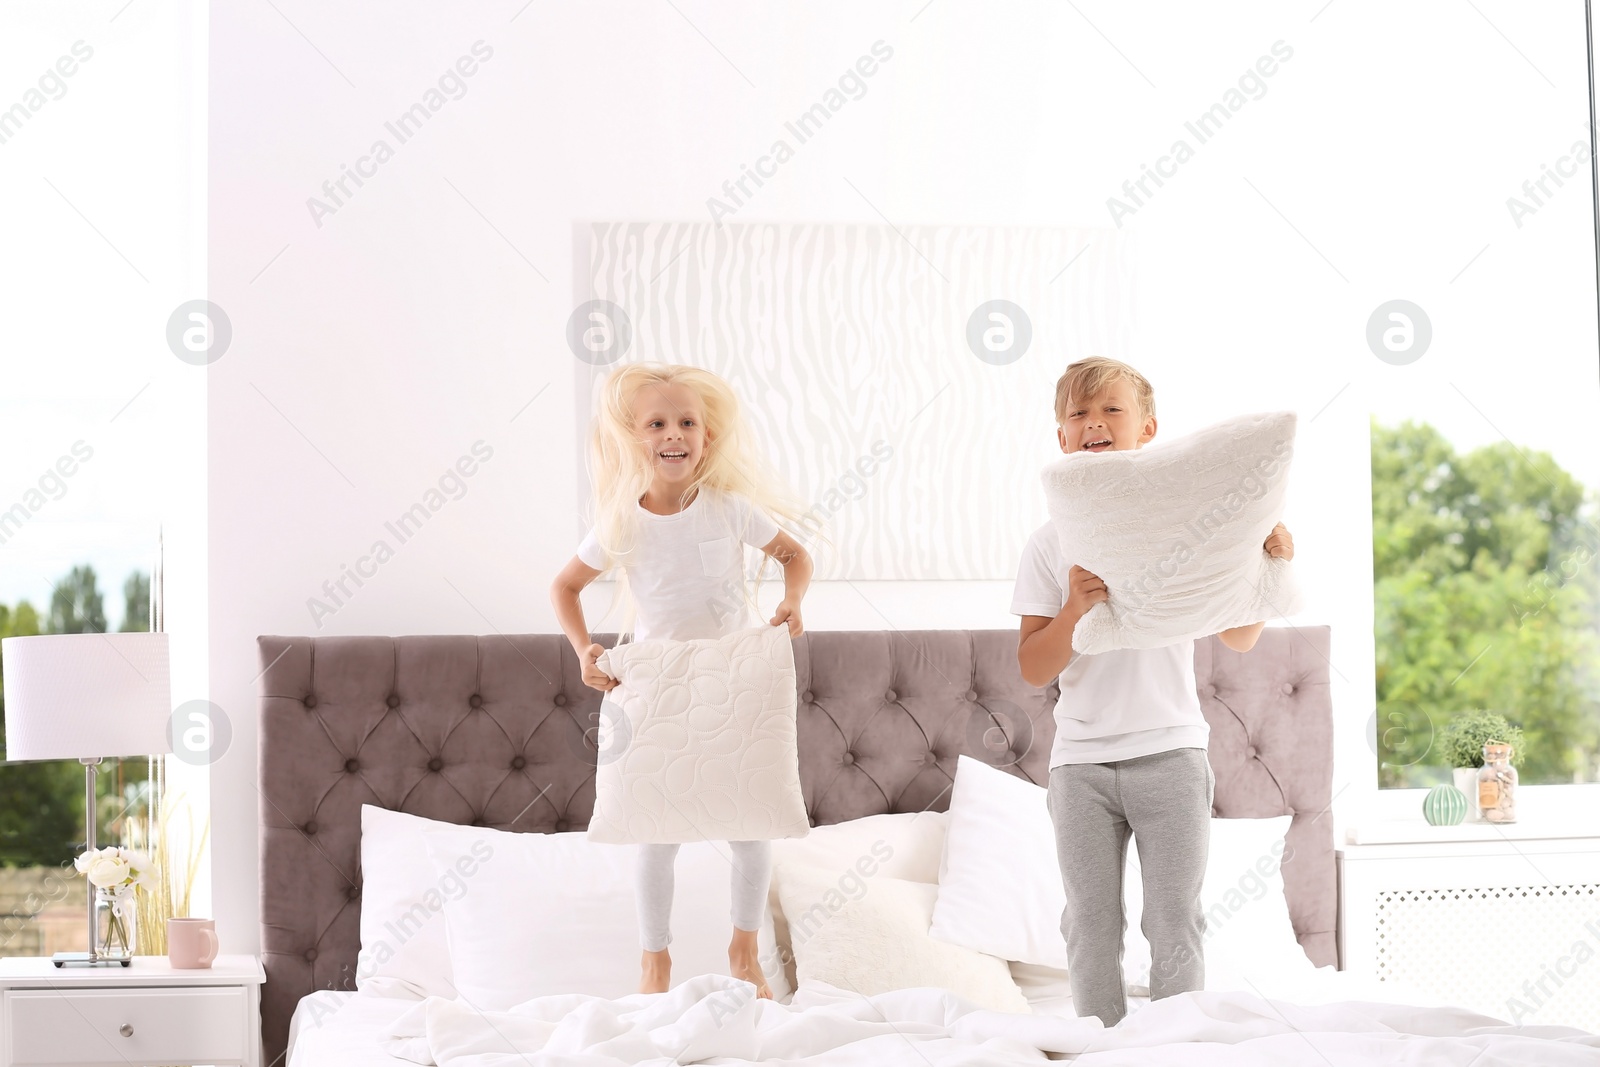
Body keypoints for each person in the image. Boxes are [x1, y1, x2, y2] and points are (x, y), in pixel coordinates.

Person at [1012, 356, 1294, 1026]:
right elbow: (1031, 666)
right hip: (1080, 766)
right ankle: (1101, 1042)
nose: (1094, 424)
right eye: (1077, 414)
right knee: (1089, 922)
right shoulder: (1049, 544)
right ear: (1061, 438)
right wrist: (1074, 610)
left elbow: (1239, 636)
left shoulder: (1184, 525)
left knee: (1173, 919)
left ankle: (1174, 1043)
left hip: (1170, 753)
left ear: (1147, 429)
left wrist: (1268, 564)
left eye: (1110, 409)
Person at [549, 361, 816, 999]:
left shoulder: (730, 510)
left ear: (706, 437)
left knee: (751, 829)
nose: (674, 434)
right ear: (634, 438)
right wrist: (585, 650)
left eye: (687, 423)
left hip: (732, 681)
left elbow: (795, 556)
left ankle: (744, 949)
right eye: (658, 423)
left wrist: (793, 601)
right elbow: (564, 586)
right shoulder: (621, 522)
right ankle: (655, 962)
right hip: (657, 688)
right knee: (655, 833)